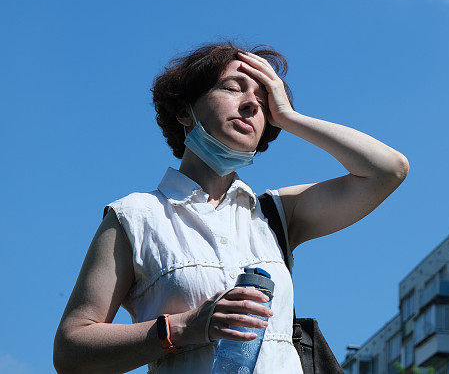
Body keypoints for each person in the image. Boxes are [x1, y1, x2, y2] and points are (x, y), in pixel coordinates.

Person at [53, 41, 410, 373]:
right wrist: (185, 327)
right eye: (234, 87)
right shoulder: (135, 216)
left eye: (263, 99)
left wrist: (288, 117)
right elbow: (70, 350)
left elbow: (387, 170)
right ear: (183, 110)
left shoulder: (276, 214)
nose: (252, 104)